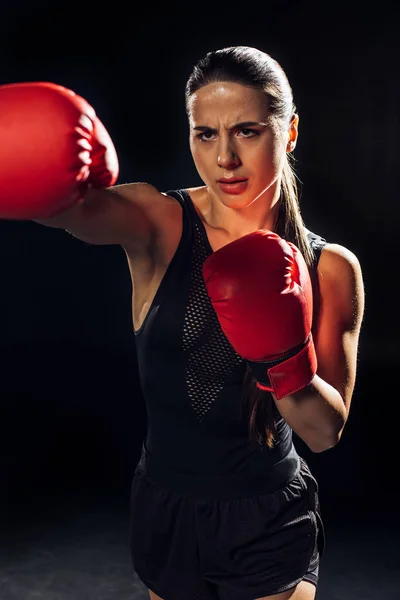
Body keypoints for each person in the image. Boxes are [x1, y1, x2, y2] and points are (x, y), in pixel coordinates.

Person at [0, 46, 365, 600]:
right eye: (205, 134)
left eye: (246, 131)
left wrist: (285, 358)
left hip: (268, 514)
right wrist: (40, 157)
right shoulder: (159, 222)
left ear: (287, 133)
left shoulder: (329, 267)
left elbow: (323, 431)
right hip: (166, 504)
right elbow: (70, 208)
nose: (225, 159)